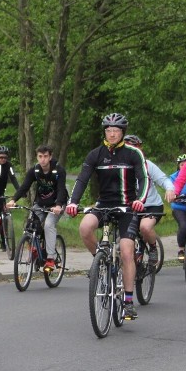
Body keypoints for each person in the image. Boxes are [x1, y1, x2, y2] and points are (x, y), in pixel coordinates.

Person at [66, 112, 148, 320]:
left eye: (116, 131)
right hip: (103, 204)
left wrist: (139, 200)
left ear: (123, 133)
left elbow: (144, 179)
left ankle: (128, 301)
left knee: (127, 252)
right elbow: (82, 180)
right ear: (104, 132)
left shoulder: (132, 154)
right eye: (109, 130)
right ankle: (100, 263)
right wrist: (73, 202)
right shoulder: (95, 154)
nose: (112, 134)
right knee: (85, 228)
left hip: (127, 207)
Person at [6, 144, 68, 271]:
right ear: (37, 157)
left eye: (45, 156)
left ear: (50, 157)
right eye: (40, 156)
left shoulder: (59, 170)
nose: (43, 159)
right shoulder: (35, 170)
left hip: (56, 204)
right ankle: (34, 248)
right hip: (40, 203)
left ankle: (50, 258)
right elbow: (24, 186)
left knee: (48, 225)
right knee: (30, 225)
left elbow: (62, 189)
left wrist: (58, 205)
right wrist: (13, 200)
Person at [121, 135, 176, 266]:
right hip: (129, 207)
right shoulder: (119, 166)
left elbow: (163, 179)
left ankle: (152, 248)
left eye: (134, 147)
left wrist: (170, 189)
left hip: (151, 205)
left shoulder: (147, 165)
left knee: (145, 227)